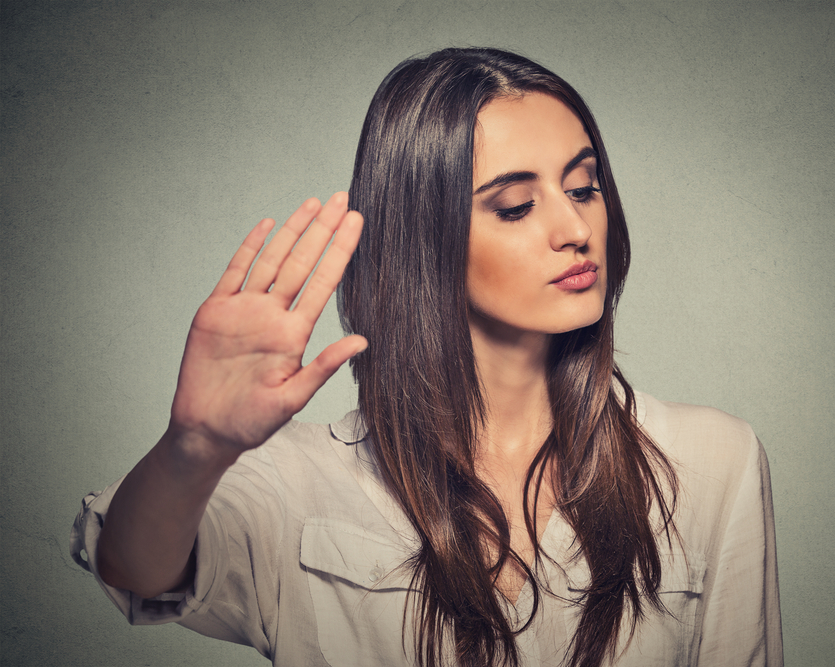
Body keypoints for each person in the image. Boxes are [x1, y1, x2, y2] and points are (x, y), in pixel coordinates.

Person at [71, 47, 782, 666]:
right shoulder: (297, 483)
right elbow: (135, 572)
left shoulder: (714, 460)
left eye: (583, 186)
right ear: (424, 238)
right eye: (515, 206)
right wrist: (192, 449)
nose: (574, 227)